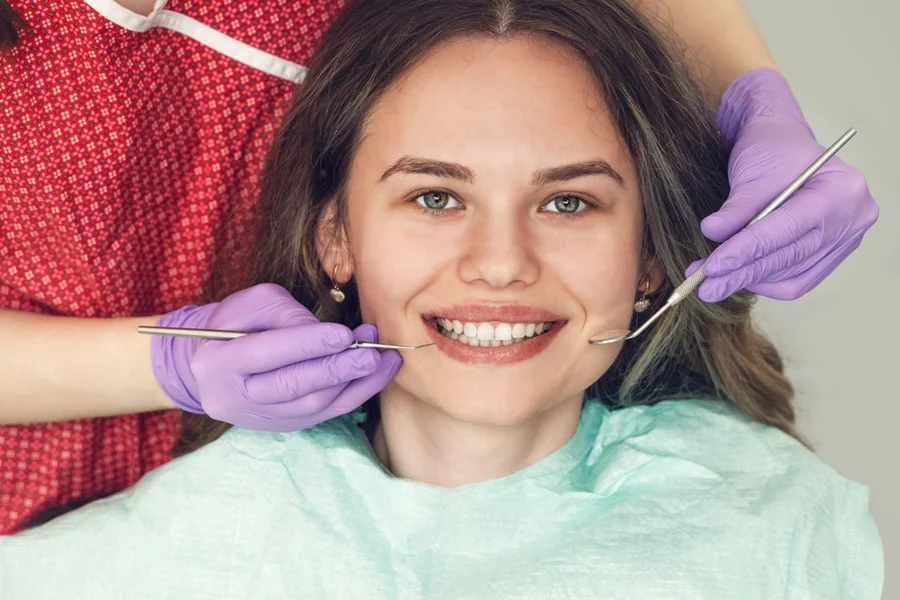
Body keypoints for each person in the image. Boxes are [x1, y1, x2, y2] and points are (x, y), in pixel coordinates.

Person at [0, 0, 883, 597]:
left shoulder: (772, 527)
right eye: (435, 197)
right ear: (331, 234)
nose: (500, 264)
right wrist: (162, 360)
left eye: (568, 201)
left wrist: (747, 85)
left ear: (653, 255)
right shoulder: (162, 551)